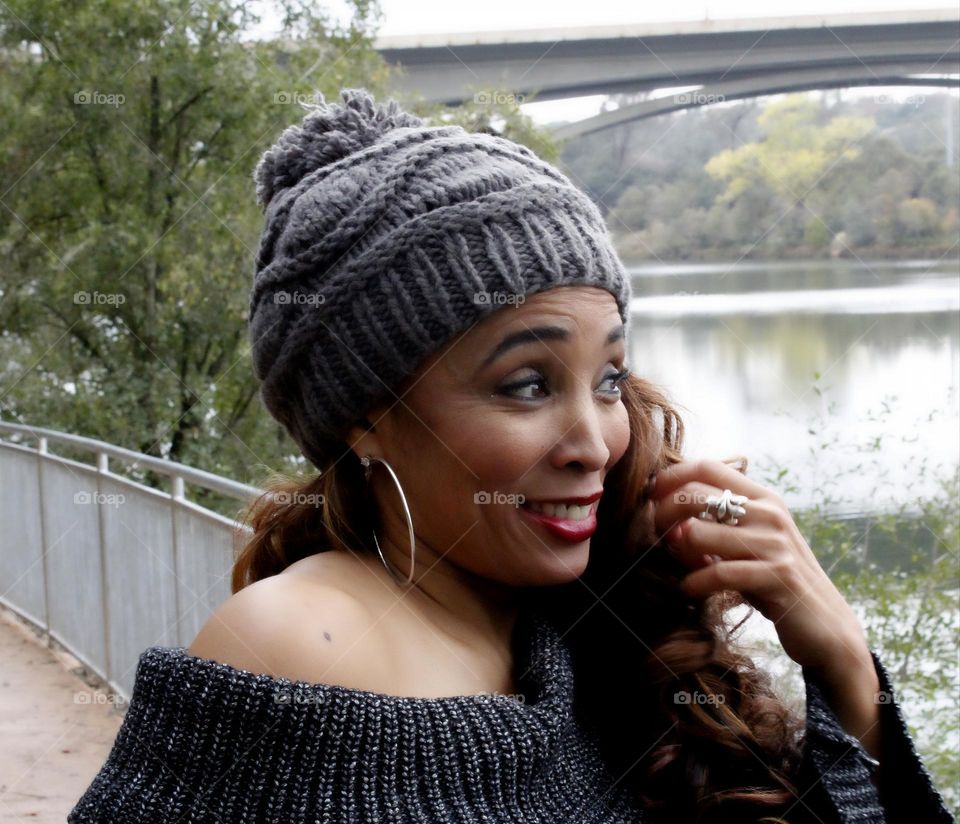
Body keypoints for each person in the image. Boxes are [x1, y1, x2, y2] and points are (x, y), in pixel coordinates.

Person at [69, 87, 954, 824]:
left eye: (608, 377)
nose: (596, 442)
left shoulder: (566, 625)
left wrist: (841, 660)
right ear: (365, 417)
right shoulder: (298, 649)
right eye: (527, 385)